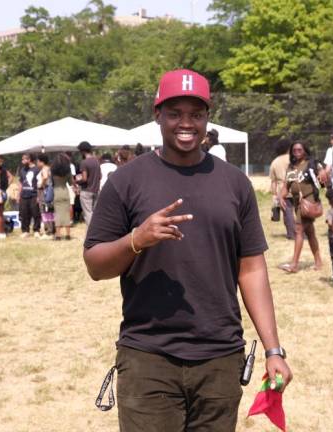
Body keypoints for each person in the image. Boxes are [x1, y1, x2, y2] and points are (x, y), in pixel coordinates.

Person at [83, 69, 292, 431]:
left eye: (196, 114)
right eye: (175, 113)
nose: (186, 123)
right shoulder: (125, 182)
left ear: (207, 118)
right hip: (148, 355)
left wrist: (273, 350)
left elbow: (252, 270)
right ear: (157, 114)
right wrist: (137, 239)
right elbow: (95, 265)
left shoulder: (235, 183)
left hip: (220, 358)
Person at [279, 141, 324, 273]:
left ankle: (294, 264)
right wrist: (281, 197)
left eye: (299, 150)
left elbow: (321, 170)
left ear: (305, 150)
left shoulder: (311, 163)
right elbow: (286, 185)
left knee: (298, 230)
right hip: (297, 202)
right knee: (310, 232)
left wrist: (321, 172)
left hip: (309, 200)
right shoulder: (291, 167)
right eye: (294, 150)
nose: (297, 152)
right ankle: (318, 261)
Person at [269, 138, 295, 240]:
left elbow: (273, 181)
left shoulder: (275, 162)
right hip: (295, 187)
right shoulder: (293, 159)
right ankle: (302, 232)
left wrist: (275, 195)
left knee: (287, 212)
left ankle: (291, 233)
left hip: (281, 190)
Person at [76, 142, 101, 226]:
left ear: (82, 151)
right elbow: (100, 176)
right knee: (95, 213)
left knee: (88, 213)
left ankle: (91, 232)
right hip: (96, 190)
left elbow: (84, 178)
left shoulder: (84, 162)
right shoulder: (96, 161)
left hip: (86, 190)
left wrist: (77, 181)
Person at [51, 153, 73, 240]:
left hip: (56, 192)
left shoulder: (53, 172)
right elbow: (71, 183)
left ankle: (58, 235)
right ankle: (68, 235)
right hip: (65, 192)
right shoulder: (67, 171)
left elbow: (52, 183)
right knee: (66, 214)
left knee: (58, 214)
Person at [18, 153, 41, 238]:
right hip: (24, 195)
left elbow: (39, 183)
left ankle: (36, 230)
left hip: (34, 195)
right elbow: (20, 183)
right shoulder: (22, 170)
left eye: (24, 159)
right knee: (24, 214)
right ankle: (25, 231)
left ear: (29, 159)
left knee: (35, 213)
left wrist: (39, 196)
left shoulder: (37, 169)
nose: (22, 161)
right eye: (22, 159)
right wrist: (18, 195)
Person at [36, 154, 54, 239]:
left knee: (44, 210)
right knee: (49, 211)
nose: (37, 163)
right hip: (48, 191)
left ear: (41, 161)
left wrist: (41, 185)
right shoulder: (49, 168)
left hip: (44, 191)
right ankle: (51, 229)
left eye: (38, 161)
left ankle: (48, 231)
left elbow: (45, 177)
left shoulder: (44, 169)